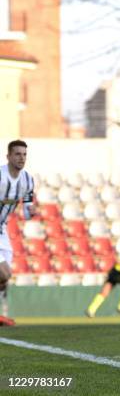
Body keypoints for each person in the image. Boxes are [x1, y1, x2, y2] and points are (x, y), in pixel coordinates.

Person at [0, 140, 36, 327]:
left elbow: (28, 208)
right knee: (3, 273)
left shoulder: (28, 180)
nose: (21, 158)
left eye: (24, 154)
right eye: (17, 154)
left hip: (2, 230)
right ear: (8, 157)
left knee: (4, 279)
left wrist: (32, 211)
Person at [86, 246, 120, 317]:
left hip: (113, 272)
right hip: (118, 273)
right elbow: (118, 259)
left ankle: (91, 309)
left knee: (104, 292)